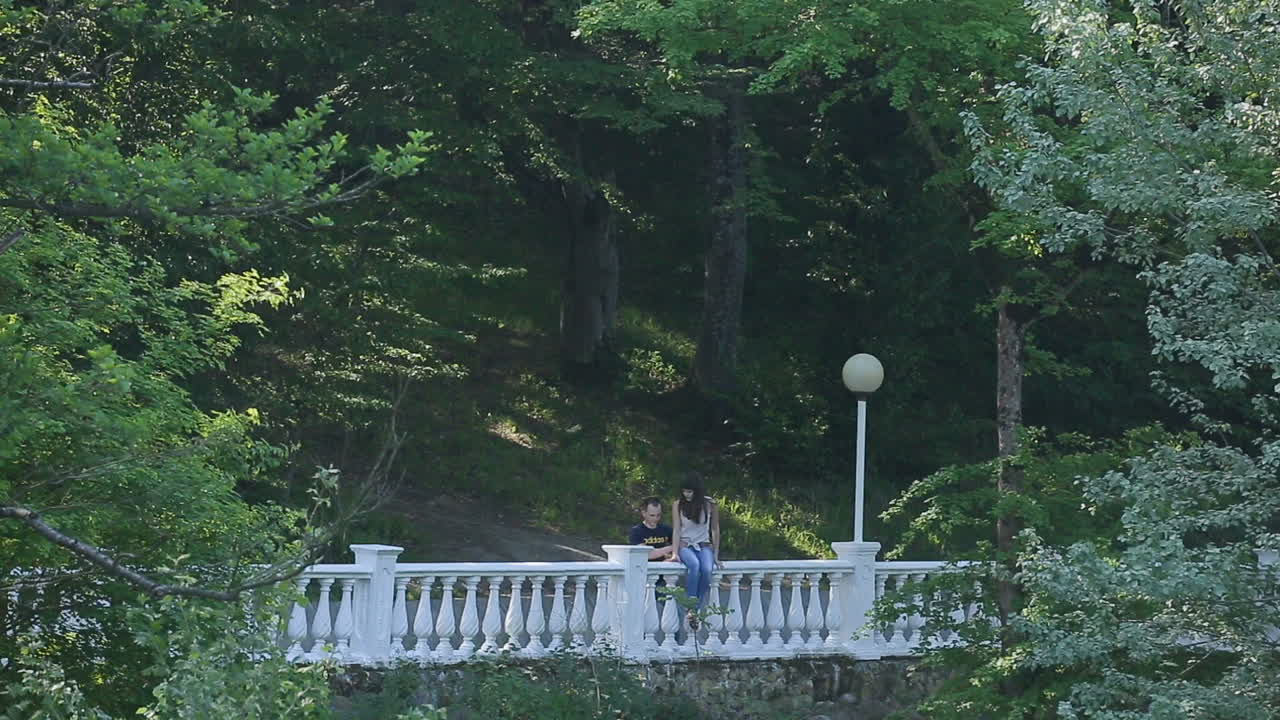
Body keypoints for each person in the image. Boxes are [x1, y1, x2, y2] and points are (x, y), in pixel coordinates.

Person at [669, 473, 721, 626]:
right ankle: (691, 605)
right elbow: (677, 529)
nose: (687, 495)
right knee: (694, 566)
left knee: (707, 569)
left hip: (704, 545)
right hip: (685, 545)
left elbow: (715, 529)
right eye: (684, 491)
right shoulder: (678, 504)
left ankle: (694, 608)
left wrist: (716, 555)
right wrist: (674, 552)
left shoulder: (710, 504)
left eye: (690, 491)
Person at [628, 496, 673, 561]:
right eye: (652, 515)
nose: (656, 518)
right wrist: (672, 547)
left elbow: (681, 544)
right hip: (645, 569)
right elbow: (647, 554)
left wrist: (672, 556)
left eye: (658, 515)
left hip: (664, 568)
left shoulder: (666, 529)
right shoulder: (636, 531)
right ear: (644, 513)